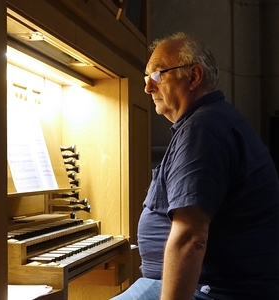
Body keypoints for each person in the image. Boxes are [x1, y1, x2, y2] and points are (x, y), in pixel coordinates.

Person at [111, 32, 279, 300]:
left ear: (194, 76)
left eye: (157, 75)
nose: (147, 88)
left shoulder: (203, 129)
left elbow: (191, 238)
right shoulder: (209, 122)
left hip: (215, 292)